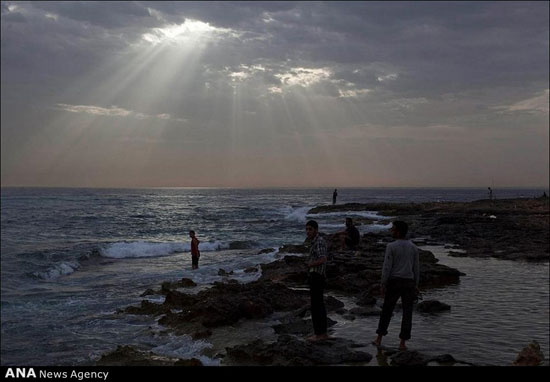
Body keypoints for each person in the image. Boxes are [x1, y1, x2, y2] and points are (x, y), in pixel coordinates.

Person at [373, 220, 419, 351]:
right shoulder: (413, 247)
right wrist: (416, 284)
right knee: (407, 313)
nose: (391, 231)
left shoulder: (391, 246)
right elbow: (416, 268)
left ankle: (379, 338)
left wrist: (383, 283)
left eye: (392, 229)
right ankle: (402, 343)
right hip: (409, 282)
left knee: (387, 310)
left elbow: (386, 267)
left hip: (394, 281)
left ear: (398, 231)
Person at [305, 220, 329, 342]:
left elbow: (323, 258)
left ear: (316, 230)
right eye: (307, 229)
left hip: (317, 276)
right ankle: (321, 333)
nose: (308, 232)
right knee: (317, 305)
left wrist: (310, 264)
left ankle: (320, 334)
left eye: (310, 229)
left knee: (317, 306)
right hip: (316, 275)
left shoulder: (319, 242)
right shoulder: (316, 241)